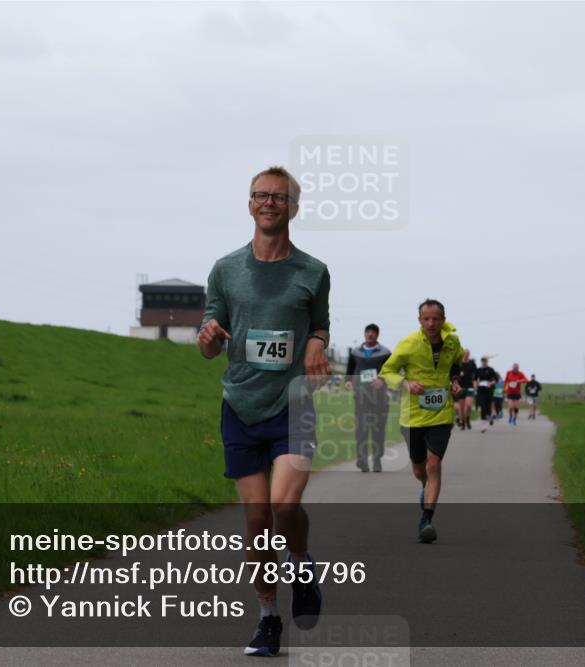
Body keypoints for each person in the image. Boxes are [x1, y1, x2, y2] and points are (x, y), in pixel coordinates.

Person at [197, 166, 330, 657]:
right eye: (260, 195)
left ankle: (302, 563)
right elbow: (211, 343)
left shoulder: (312, 272)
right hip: (241, 405)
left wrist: (317, 343)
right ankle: (268, 617)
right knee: (256, 520)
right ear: (249, 204)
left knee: (285, 506)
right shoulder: (226, 270)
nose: (269, 203)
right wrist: (207, 338)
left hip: (293, 405)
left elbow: (320, 325)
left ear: (293, 207)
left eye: (279, 196)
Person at [378, 299, 463, 544]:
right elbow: (388, 372)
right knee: (419, 469)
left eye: (436, 318)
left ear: (443, 320)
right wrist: (406, 383)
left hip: (441, 413)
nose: (431, 323)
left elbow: (456, 363)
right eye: (426, 318)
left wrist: (455, 381)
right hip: (413, 414)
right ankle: (426, 486)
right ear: (419, 321)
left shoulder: (453, 342)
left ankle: (426, 520)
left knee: (434, 464)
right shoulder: (409, 344)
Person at [344, 324, 391, 472]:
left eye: (373, 332)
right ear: (364, 334)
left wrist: (382, 381)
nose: (370, 334)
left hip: (380, 397)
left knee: (377, 429)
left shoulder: (385, 353)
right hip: (361, 396)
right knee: (362, 429)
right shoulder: (356, 352)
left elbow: (391, 371)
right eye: (368, 332)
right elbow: (350, 370)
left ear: (377, 335)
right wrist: (348, 381)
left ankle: (377, 460)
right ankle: (362, 459)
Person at [455, 349, 476, 430]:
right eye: (465, 353)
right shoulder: (459, 364)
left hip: (470, 387)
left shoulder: (472, 364)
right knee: (462, 407)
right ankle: (463, 422)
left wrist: (475, 385)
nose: (466, 355)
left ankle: (467, 419)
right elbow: (455, 375)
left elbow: (475, 376)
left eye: (467, 354)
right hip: (461, 388)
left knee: (469, 405)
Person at [475, 356, 498, 426]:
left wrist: (491, 383)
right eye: (482, 360)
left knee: (488, 405)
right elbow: (475, 379)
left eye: (485, 360)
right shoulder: (478, 370)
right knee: (482, 406)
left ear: (487, 361)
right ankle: (483, 422)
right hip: (480, 389)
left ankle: (489, 416)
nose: (483, 362)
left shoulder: (491, 369)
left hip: (489, 389)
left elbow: (495, 380)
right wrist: (476, 385)